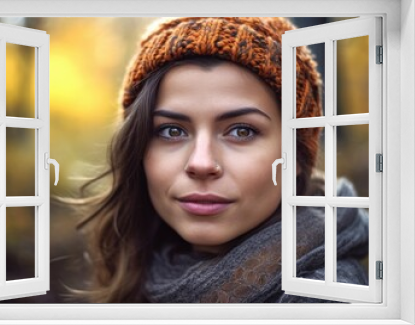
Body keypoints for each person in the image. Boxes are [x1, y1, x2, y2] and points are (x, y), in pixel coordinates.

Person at [65, 17, 369, 303]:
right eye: (172, 131)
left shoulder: (324, 301)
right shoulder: (143, 271)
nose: (201, 163)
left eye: (241, 130)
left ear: (297, 156)